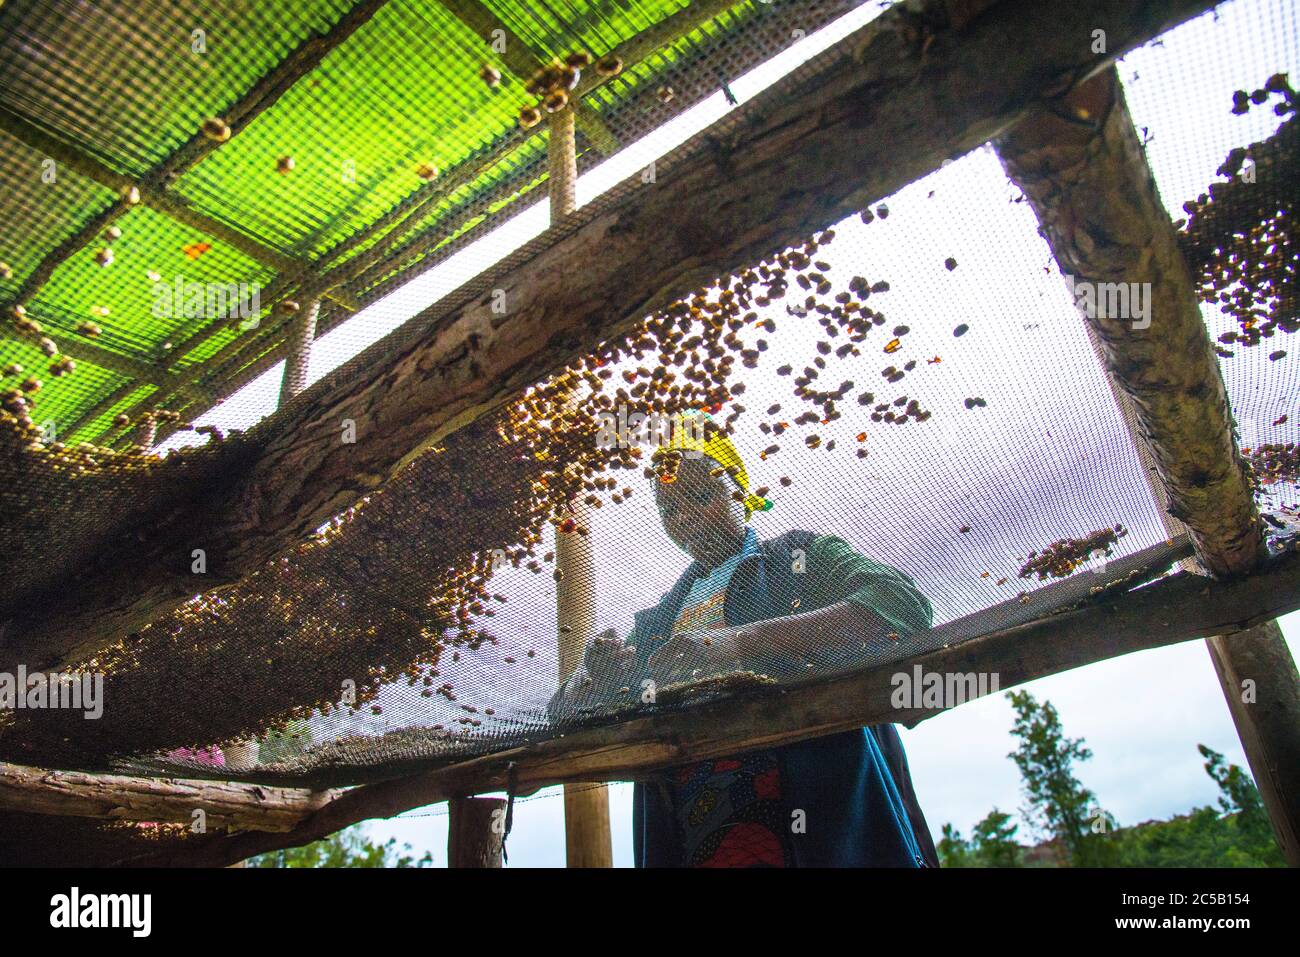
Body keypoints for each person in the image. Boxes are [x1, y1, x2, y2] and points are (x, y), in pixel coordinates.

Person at [551, 413, 938, 867]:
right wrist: (600, 678)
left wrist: (739, 645)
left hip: (816, 801)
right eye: (669, 509)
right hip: (695, 824)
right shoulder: (659, 620)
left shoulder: (799, 559)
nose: (687, 516)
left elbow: (902, 606)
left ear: (739, 490)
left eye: (702, 495)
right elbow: (559, 712)